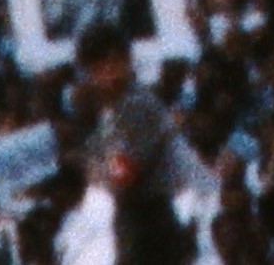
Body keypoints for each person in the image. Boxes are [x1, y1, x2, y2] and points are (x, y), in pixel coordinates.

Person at [79, 21, 196, 265]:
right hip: (135, 219)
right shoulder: (110, 108)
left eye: (114, 61)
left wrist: (88, 167)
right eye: (99, 66)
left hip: (150, 223)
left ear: (127, 60)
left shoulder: (134, 105)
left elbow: (124, 173)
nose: (108, 71)